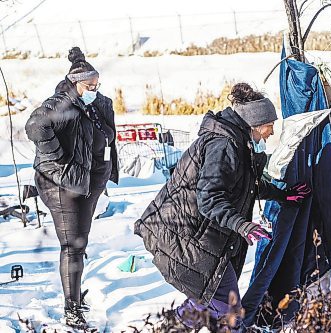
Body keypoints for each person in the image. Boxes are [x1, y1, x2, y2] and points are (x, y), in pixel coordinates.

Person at [134, 83, 311, 330]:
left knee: (204, 302)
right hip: (184, 236)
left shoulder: (239, 144)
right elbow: (210, 199)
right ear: (256, 124)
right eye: (270, 125)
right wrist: (242, 225)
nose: (271, 133)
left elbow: (244, 186)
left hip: (199, 236)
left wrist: (283, 195)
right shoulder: (224, 146)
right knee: (229, 312)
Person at [25, 47, 118, 329]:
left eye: (96, 85)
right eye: (89, 86)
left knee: (81, 242)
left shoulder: (96, 103)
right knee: (72, 246)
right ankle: (72, 309)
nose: (94, 89)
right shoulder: (61, 104)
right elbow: (35, 126)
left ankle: (75, 294)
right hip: (59, 183)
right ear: (75, 83)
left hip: (87, 183)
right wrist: (56, 157)